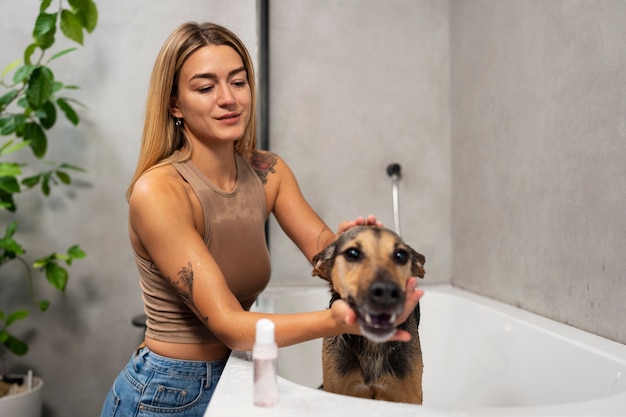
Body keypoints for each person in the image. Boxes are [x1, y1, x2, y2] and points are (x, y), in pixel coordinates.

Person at [100, 21, 423, 417]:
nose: (228, 99)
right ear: (175, 104)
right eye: (205, 87)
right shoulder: (160, 192)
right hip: (166, 392)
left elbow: (325, 255)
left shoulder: (269, 171)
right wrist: (337, 321)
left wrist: (352, 250)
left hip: (238, 376)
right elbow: (230, 324)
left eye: (238, 82)